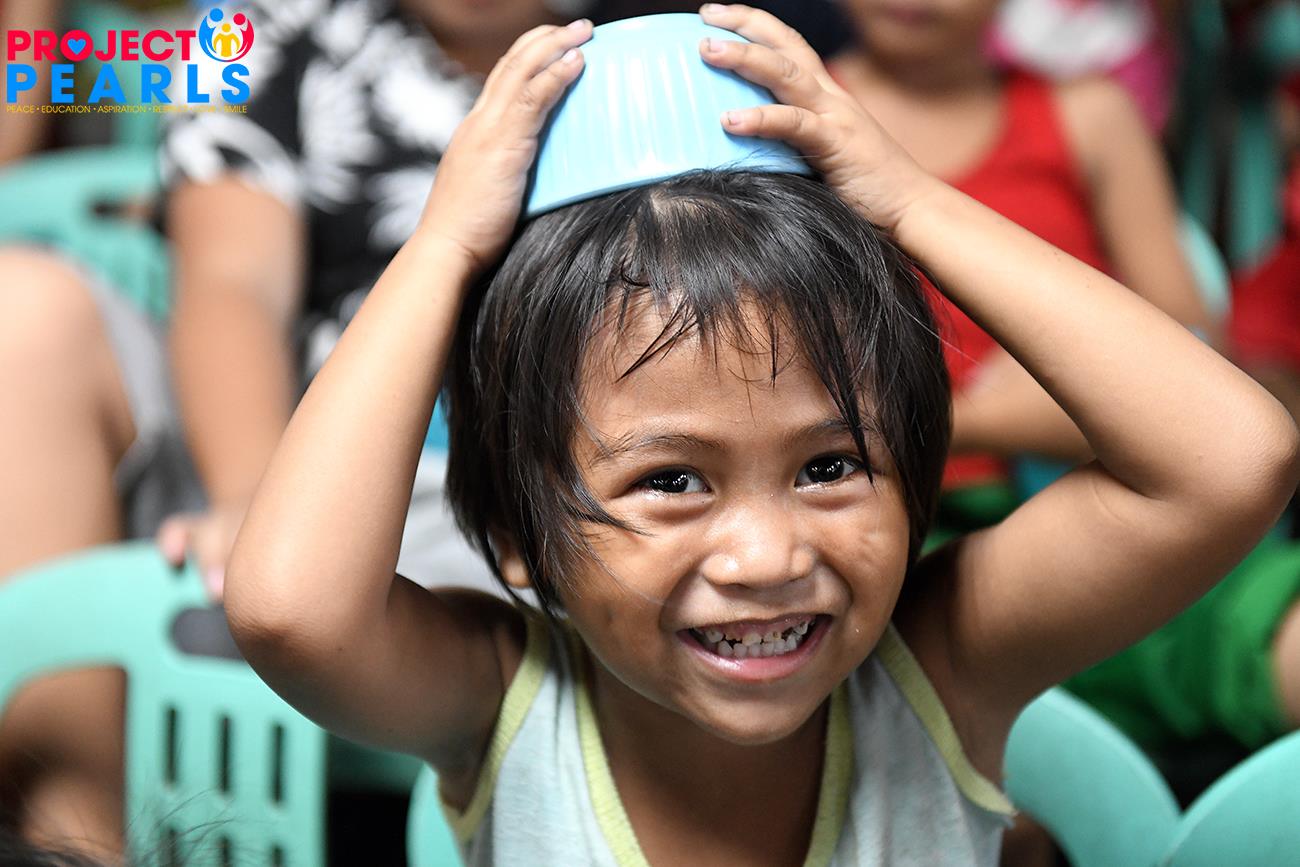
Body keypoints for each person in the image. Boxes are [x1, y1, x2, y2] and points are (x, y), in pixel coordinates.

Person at [224, 5, 1298, 864]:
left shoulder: (940, 667)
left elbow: (1232, 458)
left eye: (829, 466)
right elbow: (288, 610)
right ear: (513, 531)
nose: (768, 556)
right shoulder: (501, 703)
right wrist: (444, 246)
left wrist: (911, 203)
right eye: (671, 482)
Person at [0, 0, 574, 856]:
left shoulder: (661, 33)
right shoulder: (263, 27)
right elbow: (234, 280)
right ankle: (81, 838)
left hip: (532, 463)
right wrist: (253, 491)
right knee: (19, 314)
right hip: (288, 432)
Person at [827, 0, 1210, 495]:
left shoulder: (1089, 116)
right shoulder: (777, 113)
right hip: (855, 492)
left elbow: (1193, 349)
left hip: (1070, 491)